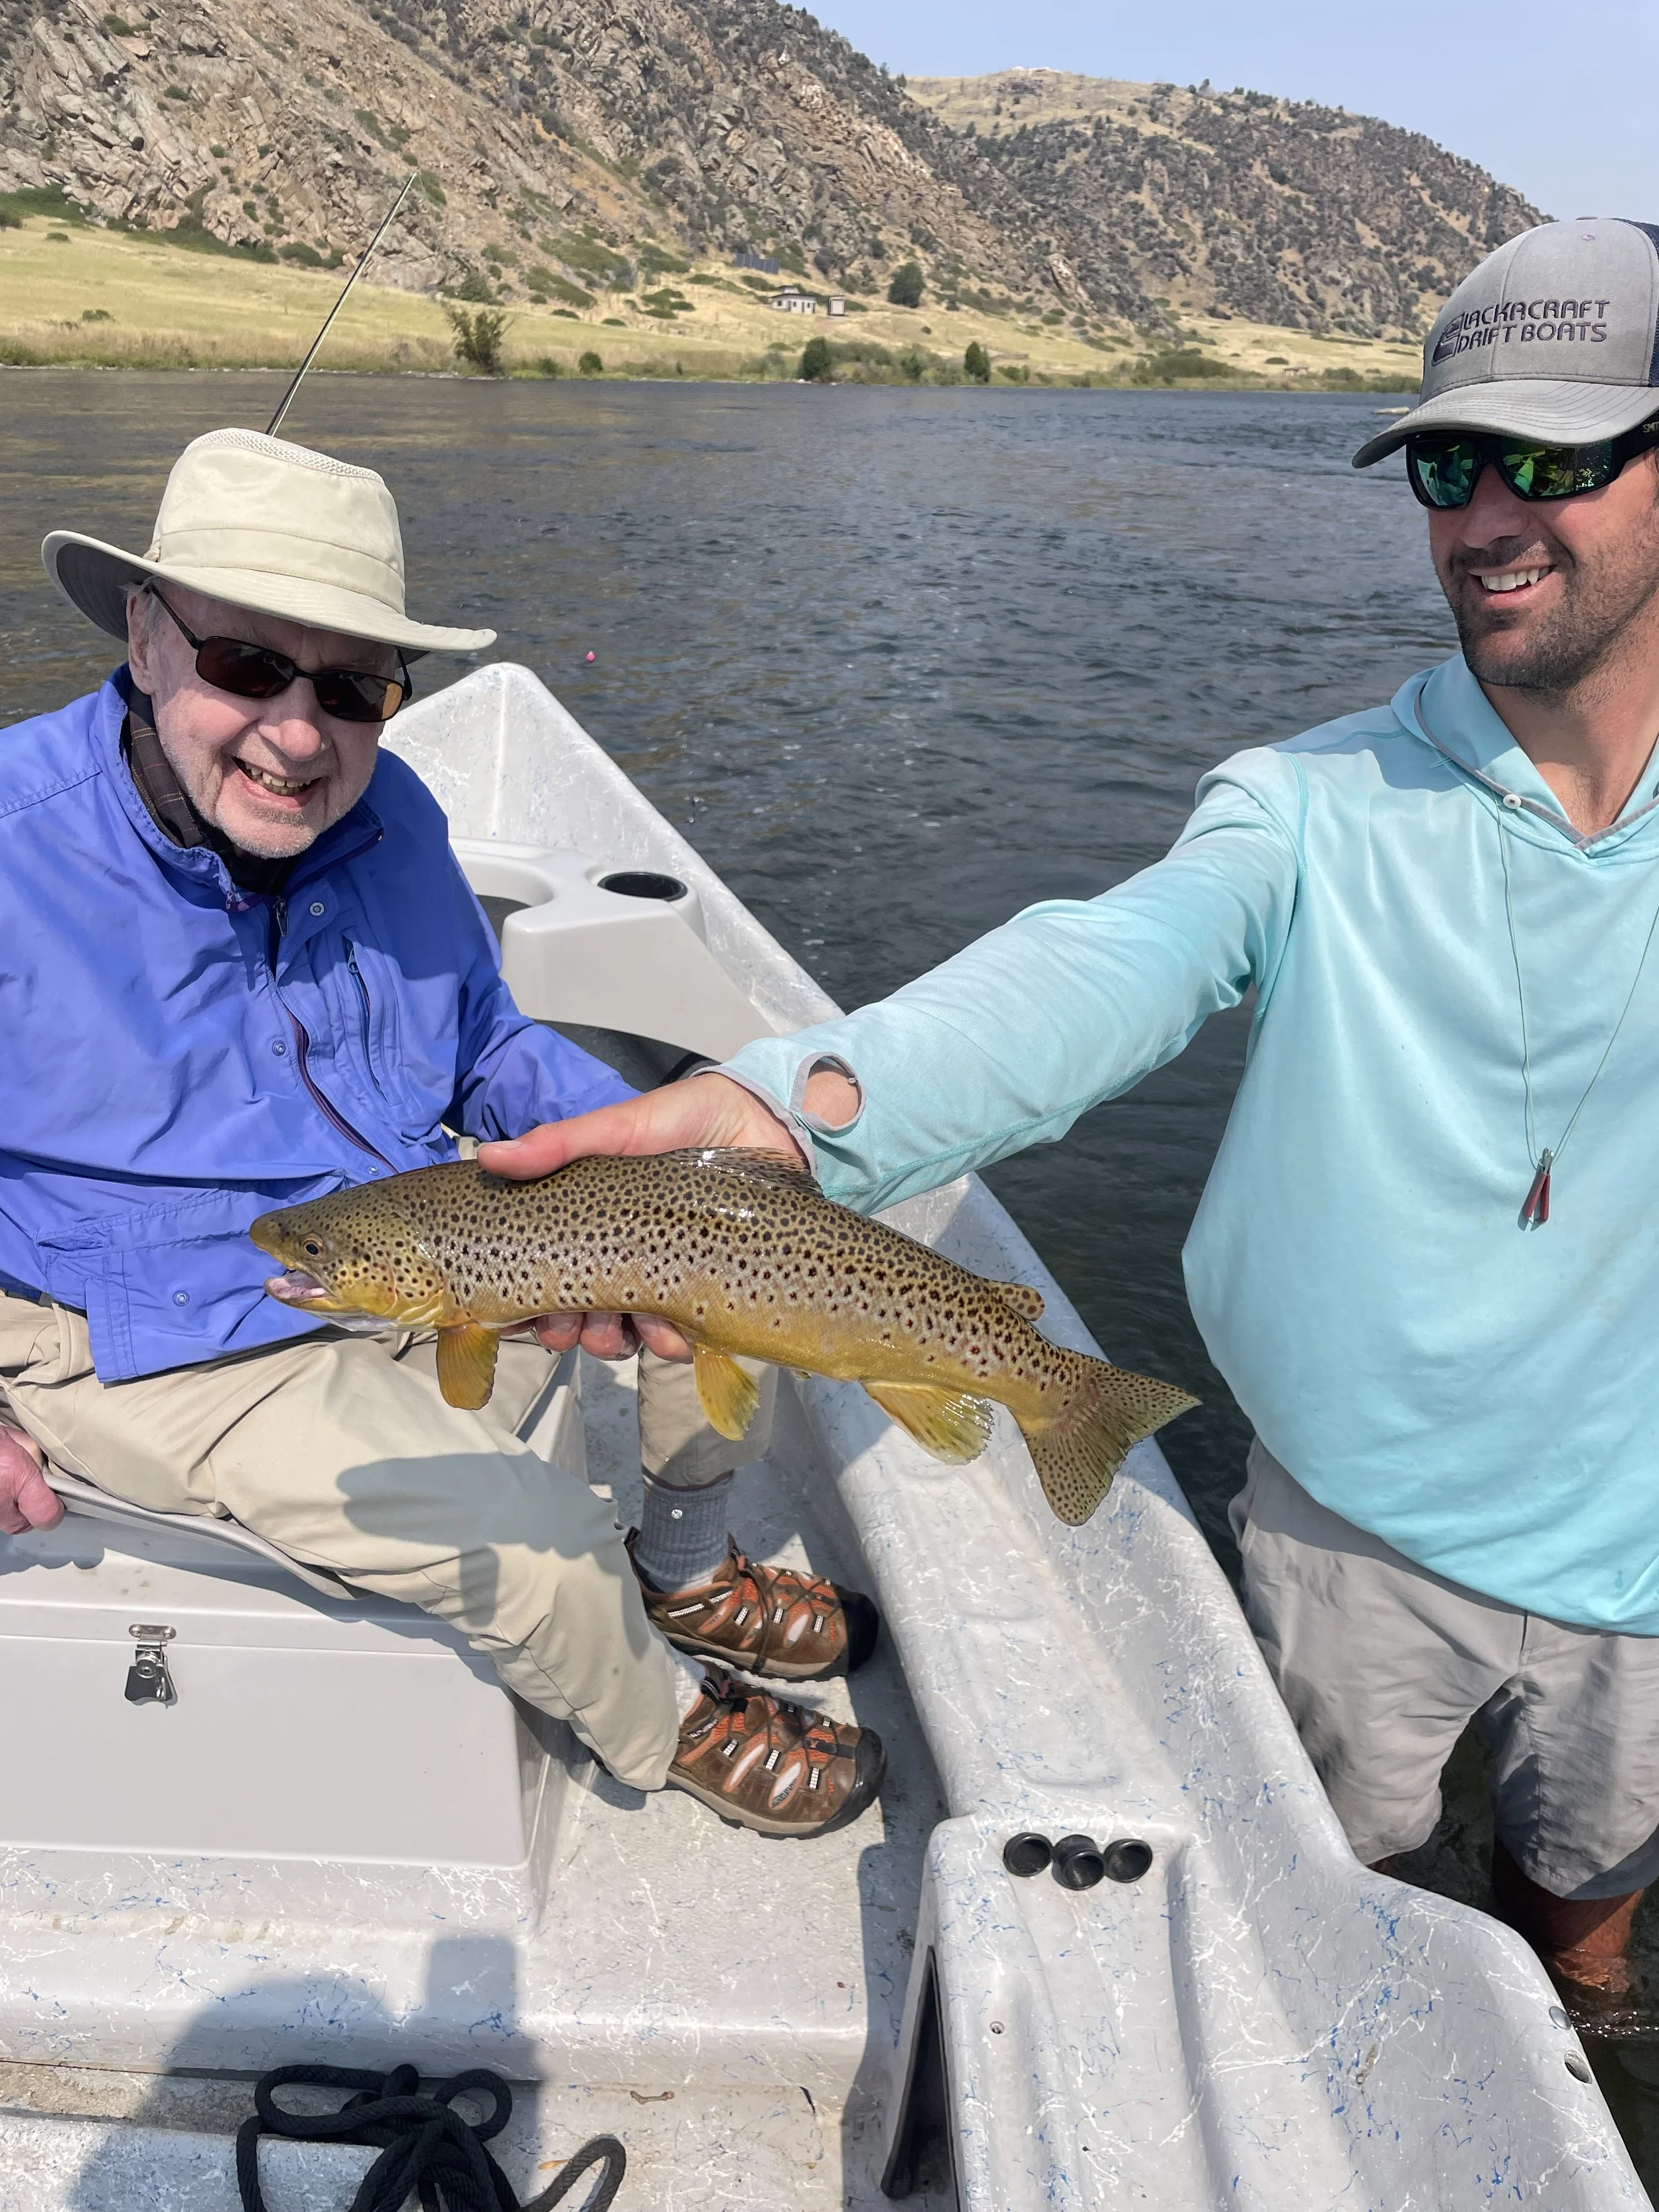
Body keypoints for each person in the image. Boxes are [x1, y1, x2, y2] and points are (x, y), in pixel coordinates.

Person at [485, 217, 1659, 1994]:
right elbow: (1101, 965)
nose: (1487, 512)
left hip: (1643, 1554)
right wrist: (789, 1114)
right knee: (1354, 1920)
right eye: (1446, 460)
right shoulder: (1304, 805)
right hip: (1351, 1525)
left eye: (1552, 459)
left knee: (1581, 1909)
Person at [0, 425, 884, 1839]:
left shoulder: (392, 809)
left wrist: (649, 1148)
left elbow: (479, 1047)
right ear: (147, 638)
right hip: (152, 1332)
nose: (298, 734)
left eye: (351, 684)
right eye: (245, 666)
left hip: (405, 1234)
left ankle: (686, 1564)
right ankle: (669, 1715)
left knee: (733, 1256)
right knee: (533, 1550)